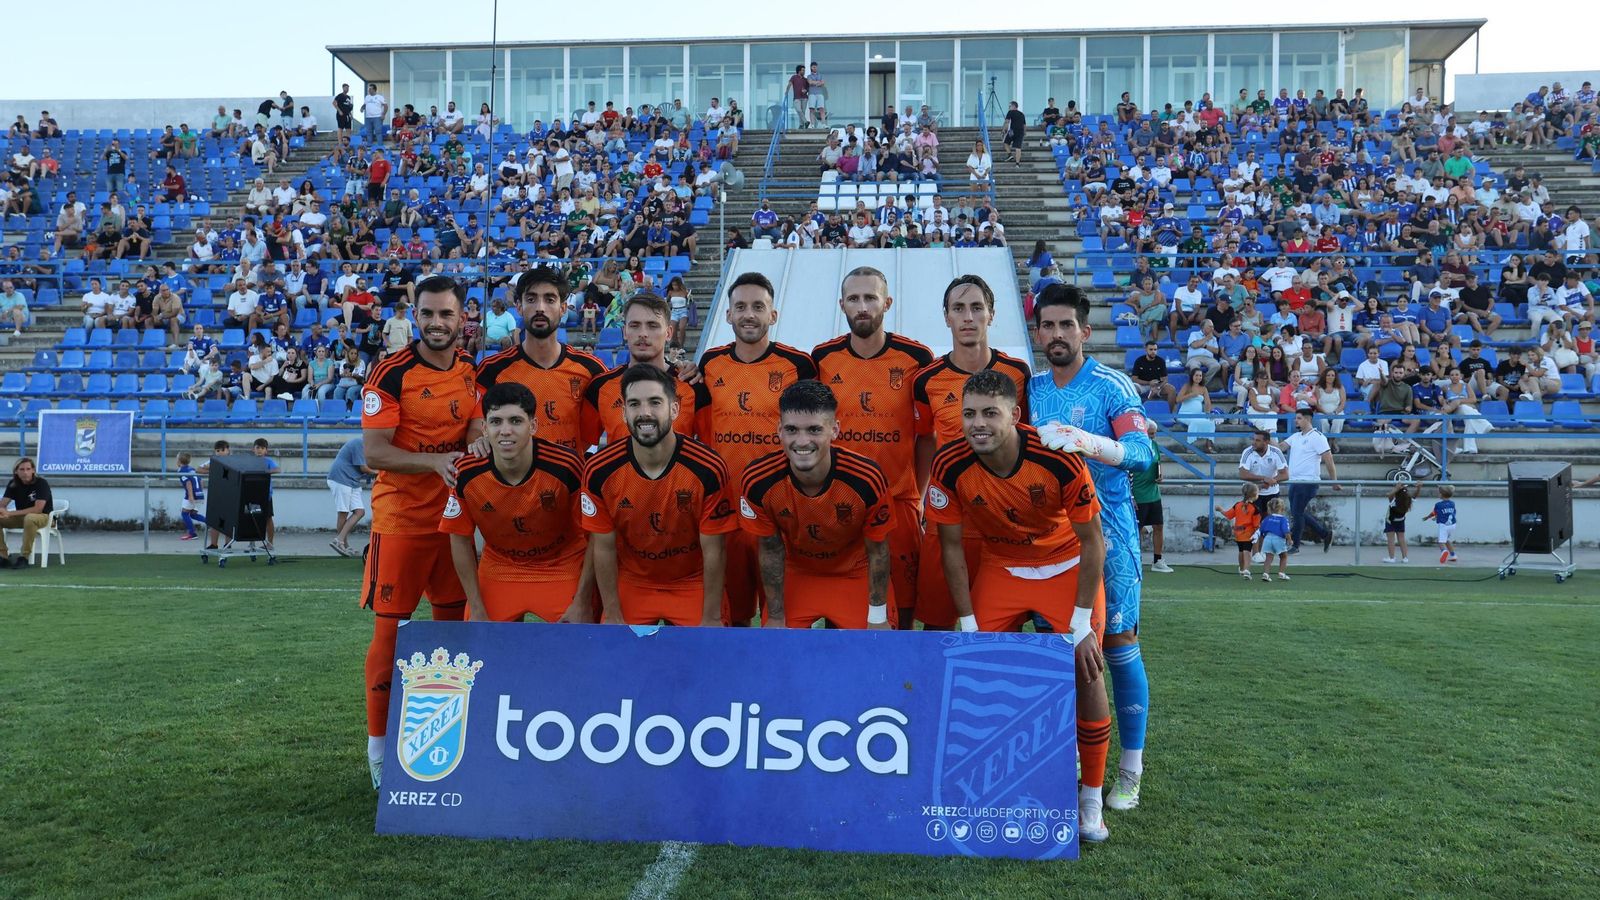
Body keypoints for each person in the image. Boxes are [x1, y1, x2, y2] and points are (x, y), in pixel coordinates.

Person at [926, 370, 1112, 842]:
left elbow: (1093, 543)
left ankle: (1090, 796)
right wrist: (966, 620)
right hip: (1004, 566)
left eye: (990, 412)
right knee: (969, 668)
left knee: (1086, 668)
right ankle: (985, 784)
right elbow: (950, 547)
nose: (978, 423)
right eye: (969, 413)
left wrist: (1079, 623)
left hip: (1065, 563)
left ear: (1015, 414)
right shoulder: (949, 463)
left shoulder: (1057, 459)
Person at [1026, 283, 1156, 817]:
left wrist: (1087, 442)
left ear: (1085, 330)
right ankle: (1070, 761)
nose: (1056, 335)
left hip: (1110, 534)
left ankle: (1131, 769)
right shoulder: (1028, 388)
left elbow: (1143, 455)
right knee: (1059, 650)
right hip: (1050, 538)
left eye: (1065, 326)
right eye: (1047, 326)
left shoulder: (1111, 385)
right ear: (1037, 333)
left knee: (1119, 644)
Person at [358, 275, 483, 790]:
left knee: (451, 639)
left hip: (453, 524)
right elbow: (375, 453)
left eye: (446, 315)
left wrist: (476, 443)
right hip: (403, 524)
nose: (436, 323)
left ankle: (440, 744)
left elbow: (474, 423)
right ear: (415, 315)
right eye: (427, 314)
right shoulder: (390, 374)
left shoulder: (469, 370)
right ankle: (379, 749)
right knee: (391, 634)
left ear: (462, 318)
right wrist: (434, 464)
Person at [811, 267, 935, 629]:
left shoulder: (916, 357)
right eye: (854, 299)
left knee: (905, 607)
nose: (862, 306)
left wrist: (919, 495)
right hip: (840, 503)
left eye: (870, 298)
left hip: (898, 501)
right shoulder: (822, 358)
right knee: (843, 606)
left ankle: (900, 684)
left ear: (887, 303)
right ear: (842, 305)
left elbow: (926, 436)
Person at [909, 275, 1032, 630]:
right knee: (937, 626)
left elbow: (1026, 441)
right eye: (958, 308)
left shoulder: (1017, 373)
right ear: (946, 316)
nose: (967, 317)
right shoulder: (927, 378)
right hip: (949, 518)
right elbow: (925, 440)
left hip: (1003, 520)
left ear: (991, 314)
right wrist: (919, 498)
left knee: (1002, 628)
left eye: (976, 308)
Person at [697, 272, 817, 625]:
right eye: (741, 307)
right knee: (733, 618)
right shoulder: (710, 364)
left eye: (758, 306)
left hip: (779, 512)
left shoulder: (799, 365)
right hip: (726, 512)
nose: (749, 314)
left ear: (773, 315)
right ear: (728, 315)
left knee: (781, 617)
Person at [576, 365, 736, 625]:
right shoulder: (599, 469)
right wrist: (613, 612)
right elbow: (603, 548)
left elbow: (714, 551)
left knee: (705, 660)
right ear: (624, 412)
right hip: (634, 581)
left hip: (691, 582)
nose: (645, 413)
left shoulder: (708, 467)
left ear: (674, 410)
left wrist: (711, 616)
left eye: (655, 402)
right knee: (619, 660)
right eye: (635, 404)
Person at [739, 380, 894, 629]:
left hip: (854, 573)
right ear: (779, 430)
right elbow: (770, 549)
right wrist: (776, 616)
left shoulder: (866, 478)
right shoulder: (758, 479)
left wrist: (877, 617)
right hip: (799, 573)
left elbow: (878, 550)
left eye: (814, 430)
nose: (801, 441)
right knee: (781, 656)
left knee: (871, 656)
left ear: (834, 430)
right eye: (791, 430)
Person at [442, 383, 593, 623]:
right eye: (496, 422)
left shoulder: (567, 466)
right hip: (500, 566)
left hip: (560, 564)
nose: (505, 431)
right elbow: (459, 539)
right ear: (484, 428)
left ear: (532, 426)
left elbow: (595, 534)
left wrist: (583, 601)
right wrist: (476, 604)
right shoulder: (466, 472)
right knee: (482, 646)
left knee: (579, 646)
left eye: (515, 421)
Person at [475, 268, 609, 455]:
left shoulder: (592, 370)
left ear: (563, 308)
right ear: (519, 307)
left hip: (570, 480)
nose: (540, 307)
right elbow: (477, 429)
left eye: (550, 299)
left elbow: (595, 435)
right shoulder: (491, 370)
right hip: (514, 481)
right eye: (531, 299)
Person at [581, 293, 706, 447]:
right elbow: (582, 444)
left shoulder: (692, 384)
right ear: (625, 332)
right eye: (635, 325)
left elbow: (711, 444)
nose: (643, 334)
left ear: (668, 333)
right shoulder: (600, 387)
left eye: (652, 325)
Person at [1281, 408, 1339, 553]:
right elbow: (1281, 447)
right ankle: (1325, 534)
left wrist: (1334, 481)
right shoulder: (1295, 436)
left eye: (1299, 418)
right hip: (1294, 481)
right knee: (1297, 512)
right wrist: (1267, 441)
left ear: (1308, 419)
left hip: (1308, 481)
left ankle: (1295, 545)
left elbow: (1328, 459)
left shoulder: (1318, 437)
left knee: (1297, 512)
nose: (1296, 420)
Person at [0, 457, 52, 569]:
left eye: (28, 469)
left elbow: (38, 509)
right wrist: (2, 511)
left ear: (33, 470)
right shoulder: (13, 484)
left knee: (30, 518)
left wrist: (10, 513)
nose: (25, 472)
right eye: (22, 469)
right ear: (16, 471)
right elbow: (2, 504)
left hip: (42, 517)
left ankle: (24, 557)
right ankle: (3, 556)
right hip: (22, 517)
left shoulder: (41, 483)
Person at [1131, 419, 1169, 572]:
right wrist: (1131, 496)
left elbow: (1157, 463)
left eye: (1154, 434)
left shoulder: (1154, 445)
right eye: (1151, 434)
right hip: (1138, 494)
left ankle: (1157, 560)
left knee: (1158, 525)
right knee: (1137, 528)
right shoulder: (1135, 447)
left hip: (1153, 492)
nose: (1153, 437)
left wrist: (1160, 476)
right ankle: (1136, 560)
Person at [326, 436, 372, 557]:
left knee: (360, 512)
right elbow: (364, 468)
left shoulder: (369, 447)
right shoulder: (359, 443)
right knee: (343, 513)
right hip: (341, 479)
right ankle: (342, 543)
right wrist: (383, 471)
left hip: (352, 481)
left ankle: (340, 541)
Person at [1217, 482, 1263, 579]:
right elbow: (1256, 524)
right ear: (1255, 495)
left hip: (1238, 533)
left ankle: (1241, 569)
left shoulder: (1237, 505)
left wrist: (1221, 509)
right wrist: (1258, 532)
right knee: (1247, 551)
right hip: (1248, 533)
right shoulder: (1255, 509)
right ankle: (1246, 569)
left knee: (1241, 551)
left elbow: (1229, 515)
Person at [1257, 498, 1292, 581]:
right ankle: (1281, 573)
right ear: (1282, 509)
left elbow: (1261, 530)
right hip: (1278, 539)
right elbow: (1286, 531)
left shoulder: (1267, 518)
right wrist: (1290, 540)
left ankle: (1265, 574)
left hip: (1268, 538)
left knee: (1269, 557)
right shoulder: (1283, 519)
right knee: (1283, 556)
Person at [1424, 484, 1459, 563]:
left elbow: (1434, 512)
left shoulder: (1438, 505)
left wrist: (1428, 517)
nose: (1438, 494)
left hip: (1443, 525)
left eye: (1439, 493)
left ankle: (1443, 551)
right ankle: (1453, 555)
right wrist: (1438, 517)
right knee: (1447, 540)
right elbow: (1452, 512)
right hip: (1452, 525)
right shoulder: (1452, 503)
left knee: (1440, 541)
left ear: (1442, 495)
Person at [1384, 483, 1417, 563]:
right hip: (1400, 521)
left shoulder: (1393, 501)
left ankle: (1392, 558)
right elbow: (1415, 495)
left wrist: (1396, 488)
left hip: (1390, 522)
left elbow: (1388, 495)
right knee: (1402, 539)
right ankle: (1405, 557)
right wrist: (1418, 488)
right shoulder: (1408, 500)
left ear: (1397, 492)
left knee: (1391, 539)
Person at [176, 452, 206, 541]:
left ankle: (192, 534)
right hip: (199, 494)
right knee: (193, 514)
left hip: (192, 495)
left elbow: (188, 483)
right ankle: (211, 524)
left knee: (184, 513)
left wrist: (191, 496)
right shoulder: (192, 469)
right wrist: (200, 492)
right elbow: (201, 481)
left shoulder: (181, 471)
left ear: (179, 461)